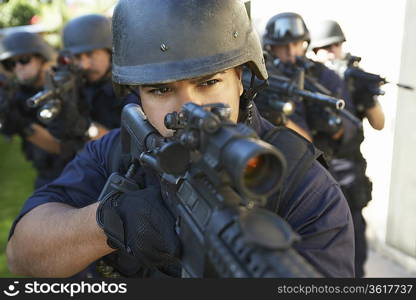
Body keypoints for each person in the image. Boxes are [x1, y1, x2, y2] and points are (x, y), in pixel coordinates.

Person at [6, 0, 354, 278]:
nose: (188, 108)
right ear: (137, 95)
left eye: (208, 83)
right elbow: (23, 258)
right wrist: (110, 222)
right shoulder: (117, 152)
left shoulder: (299, 181)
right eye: (160, 89)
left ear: (241, 79)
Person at [309, 19, 385, 278]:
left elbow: (379, 123)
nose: (332, 52)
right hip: (315, 177)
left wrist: (365, 96)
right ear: (314, 52)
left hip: (349, 177)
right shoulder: (306, 81)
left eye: (336, 45)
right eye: (325, 47)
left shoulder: (354, 78)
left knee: (354, 256)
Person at [260, 13, 358, 161]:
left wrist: (335, 126)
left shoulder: (324, 76)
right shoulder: (263, 77)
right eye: (283, 46)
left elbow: (351, 123)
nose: (291, 52)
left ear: (304, 44)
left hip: (321, 163)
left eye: (296, 44)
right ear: (271, 48)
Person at [0, 31, 67, 188]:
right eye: (11, 64)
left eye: (24, 60)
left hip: (76, 170)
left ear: (42, 58)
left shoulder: (64, 88)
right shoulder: (19, 94)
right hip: (46, 174)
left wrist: (23, 126)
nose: (18, 67)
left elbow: (62, 147)